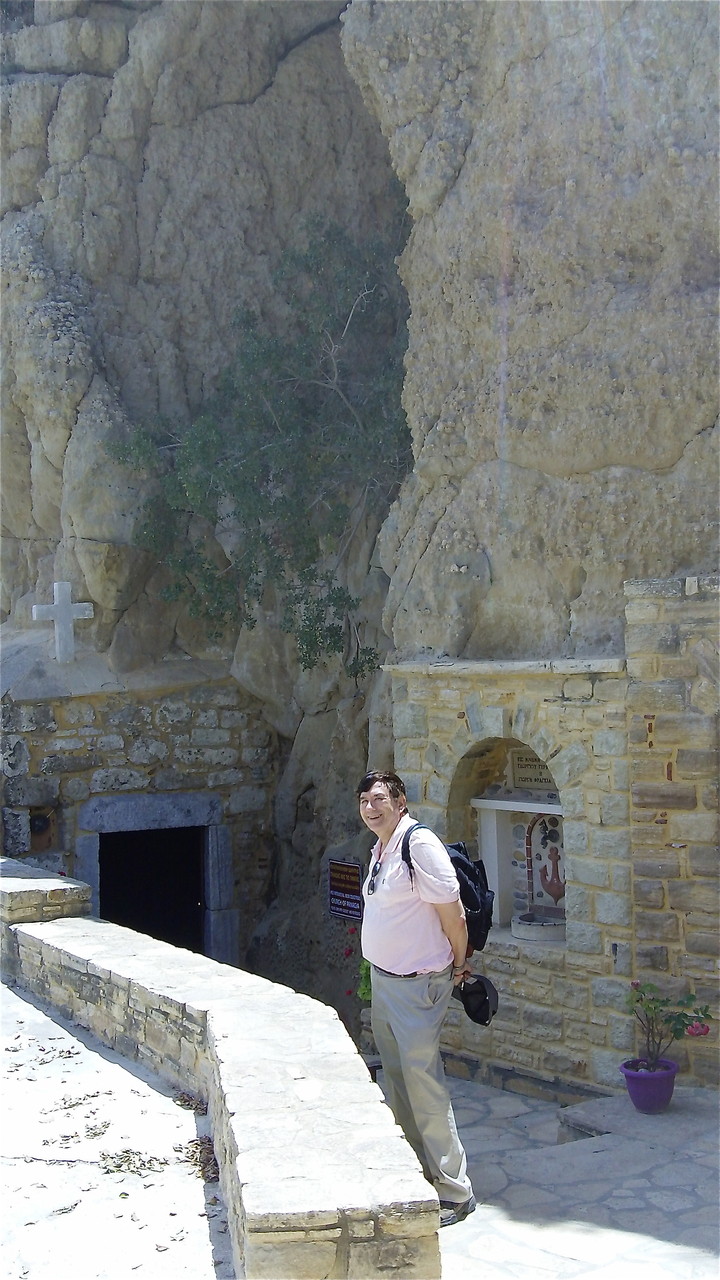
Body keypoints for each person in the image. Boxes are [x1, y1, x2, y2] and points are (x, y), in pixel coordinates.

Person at [357, 769, 476, 1227]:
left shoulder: (417, 844)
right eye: (365, 800)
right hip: (387, 982)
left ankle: (455, 1190)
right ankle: (420, 1175)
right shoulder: (382, 846)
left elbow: (454, 914)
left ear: (400, 801)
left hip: (419, 983)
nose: (372, 807)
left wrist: (460, 964)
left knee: (423, 1083)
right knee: (400, 1081)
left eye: (380, 798)